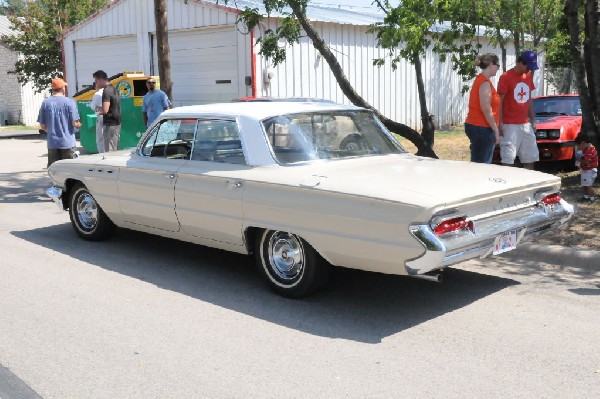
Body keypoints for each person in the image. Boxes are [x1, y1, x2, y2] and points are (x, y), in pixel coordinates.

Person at [497, 50, 539, 169]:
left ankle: (528, 182)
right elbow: (499, 101)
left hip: (525, 123)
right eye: (528, 66)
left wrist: (533, 119)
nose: (529, 69)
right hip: (509, 124)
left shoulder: (528, 75)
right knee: (508, 158)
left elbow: (529, 98)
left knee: (530, 156)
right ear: (520, 62)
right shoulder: (505, 77)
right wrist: (499, 122)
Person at [464, 53, 501, 163]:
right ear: (490, 64)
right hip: (482, 128)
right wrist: (495, 129)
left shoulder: (482, 80)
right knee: (482, 165)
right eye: (497, 65)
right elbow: (486, 108)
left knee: (478, 163)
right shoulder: (484, 82)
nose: (498, 68)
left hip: (478, 127)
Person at [37, 78, 81, 167]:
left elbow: (42, 125)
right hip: (67, 143)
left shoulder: (46, 103)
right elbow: (74, 123)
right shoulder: (69, 102)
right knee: (69, 170)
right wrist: (80, 124)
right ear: (62, 88)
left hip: (52, 143)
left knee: (54, 170)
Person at [92, 70, 121, 151]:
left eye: (96, 81)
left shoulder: (106, 91)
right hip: (117, 123)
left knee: (109, 150)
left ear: (101, 79)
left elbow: (105, 110)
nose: (96, 83)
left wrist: (98, 110)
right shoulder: (114, 89)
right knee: (115, 148)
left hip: (109, 124)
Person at [574, 134, 598, 203]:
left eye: (579, 145)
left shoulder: (589, 151)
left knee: (588, 186)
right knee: (584, 184)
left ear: (583, 143)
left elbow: (586, 162)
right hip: (586, 170)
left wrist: (579, 159)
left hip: (589, 171)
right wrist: (580, 153)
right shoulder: (587, 149)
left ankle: (592, 199)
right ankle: (586, 196)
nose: (578, 147)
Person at [89, 85, 105, 152]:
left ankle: (102, 154)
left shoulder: (97, 94)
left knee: (100, 139)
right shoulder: (111, 91)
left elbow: (93, 107)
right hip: (112, 118)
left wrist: (97, 108)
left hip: (101, 116)